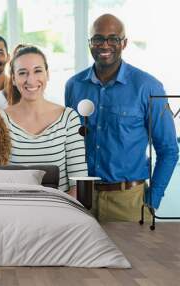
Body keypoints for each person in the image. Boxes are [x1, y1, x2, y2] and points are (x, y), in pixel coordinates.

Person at [65, 14, 179, 222]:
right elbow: (69, 144)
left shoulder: (149, 87)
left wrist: (152, 201)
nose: (105, 45)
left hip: (128, 203)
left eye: (113, 38)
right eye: (98, 38)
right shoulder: (74, 86)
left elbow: (169, 150)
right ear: (90, 43)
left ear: (124, 43)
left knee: (131, 256)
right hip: (81, 200)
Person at [3, 45, 88, 197]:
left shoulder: (69, 118)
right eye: (23, 73)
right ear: (14, 79)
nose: (31, 79)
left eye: (38, 71)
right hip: (14, 212)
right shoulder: (1, 119)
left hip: (60, 213)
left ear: (47, 74)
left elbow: (79, 182)